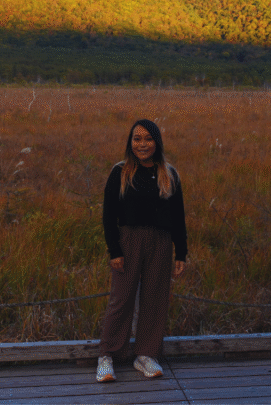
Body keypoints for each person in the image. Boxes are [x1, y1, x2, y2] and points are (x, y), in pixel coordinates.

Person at [96, 119, 187, 383]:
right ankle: (107, 355)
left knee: (155, 299)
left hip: (161, 241)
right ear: (130, 142)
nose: (142, 144)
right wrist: (114, 250)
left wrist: (181, 252)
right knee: (121, 299)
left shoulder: (169, 173)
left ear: (157, 142)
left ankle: (145, 354)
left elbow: (178, 216)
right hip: (128, 241)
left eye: (148, 139)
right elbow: (108, 215)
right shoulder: (120, 172)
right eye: (137, 139)